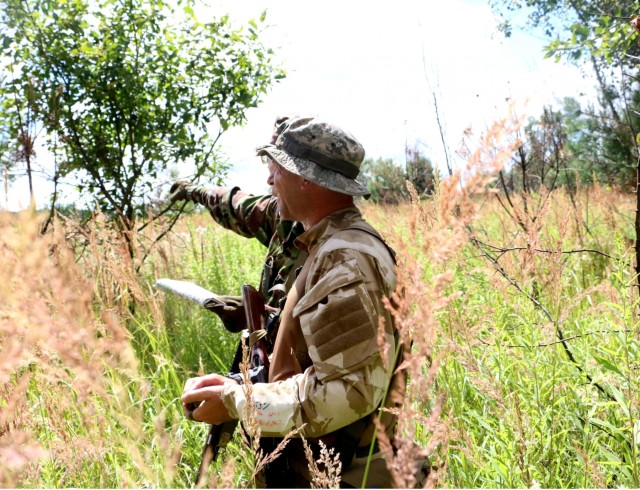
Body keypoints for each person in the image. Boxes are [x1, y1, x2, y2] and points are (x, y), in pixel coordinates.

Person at [181, 116, 403, 488]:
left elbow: (348, 394)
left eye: (277, 170)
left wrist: (237, 401)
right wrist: (241, 384)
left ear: (305, 178)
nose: (269, 181)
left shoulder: (344, 259)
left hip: (343, 475)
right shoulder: (323, 246)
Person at [169, 116, 306, 346]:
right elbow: (235, 205)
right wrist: (194, 192)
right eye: (269, 162)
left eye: (276, 163)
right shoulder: (284, 215)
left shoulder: (340, 247)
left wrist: (263, 317)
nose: (269, 178)